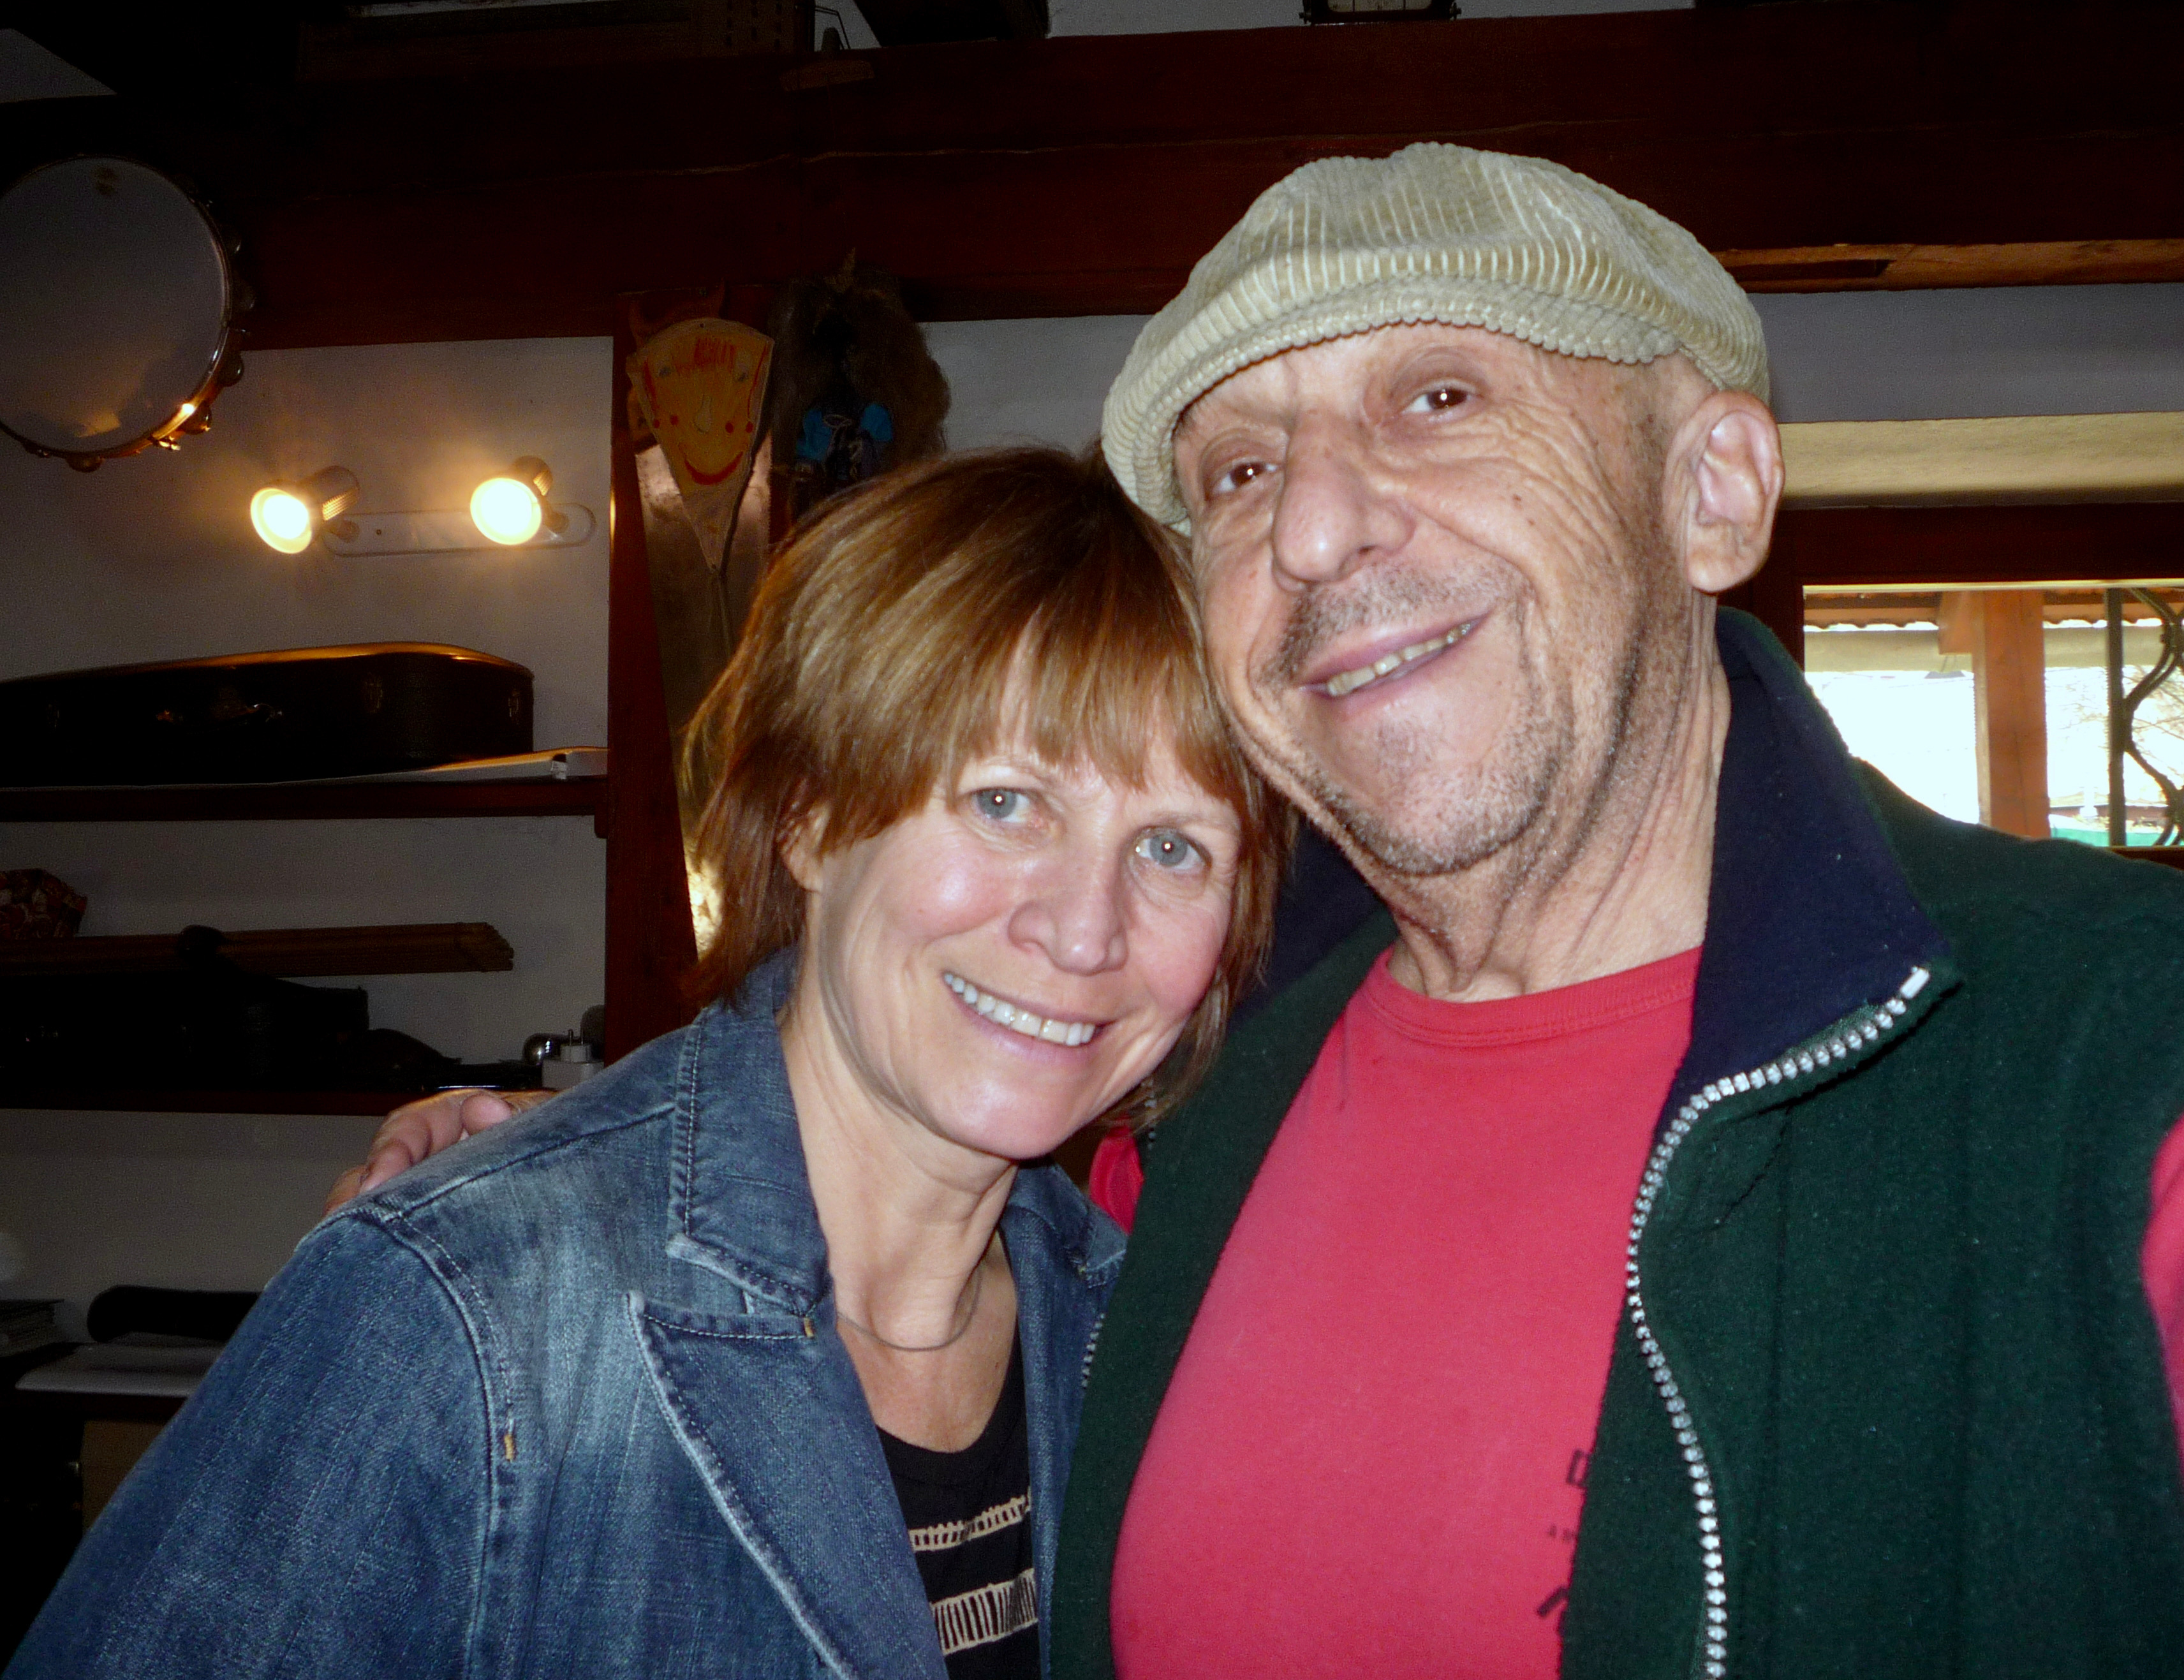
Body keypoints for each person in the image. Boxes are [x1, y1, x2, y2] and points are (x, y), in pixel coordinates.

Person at [336, 147, 2184, 1679]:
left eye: (1439, 395)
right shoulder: (1178, 1123)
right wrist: (579, 1199)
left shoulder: (2181, 1082)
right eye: (1233, 472)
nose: (1306, 525)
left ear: (1714, 489)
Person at [6, 446, 1288, 1680]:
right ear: (810, 814)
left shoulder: (1129, 1335)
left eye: (1173, 847)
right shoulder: (464, 1309)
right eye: (1005, 802)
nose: (1085, 932)